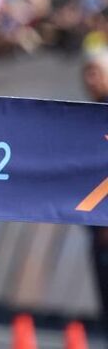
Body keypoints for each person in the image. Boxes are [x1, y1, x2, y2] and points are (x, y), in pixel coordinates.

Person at [81, 49, 108, 330]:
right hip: (96, 224)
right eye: (86, 74)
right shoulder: (90, 113)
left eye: (96, 72)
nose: (90, 80)